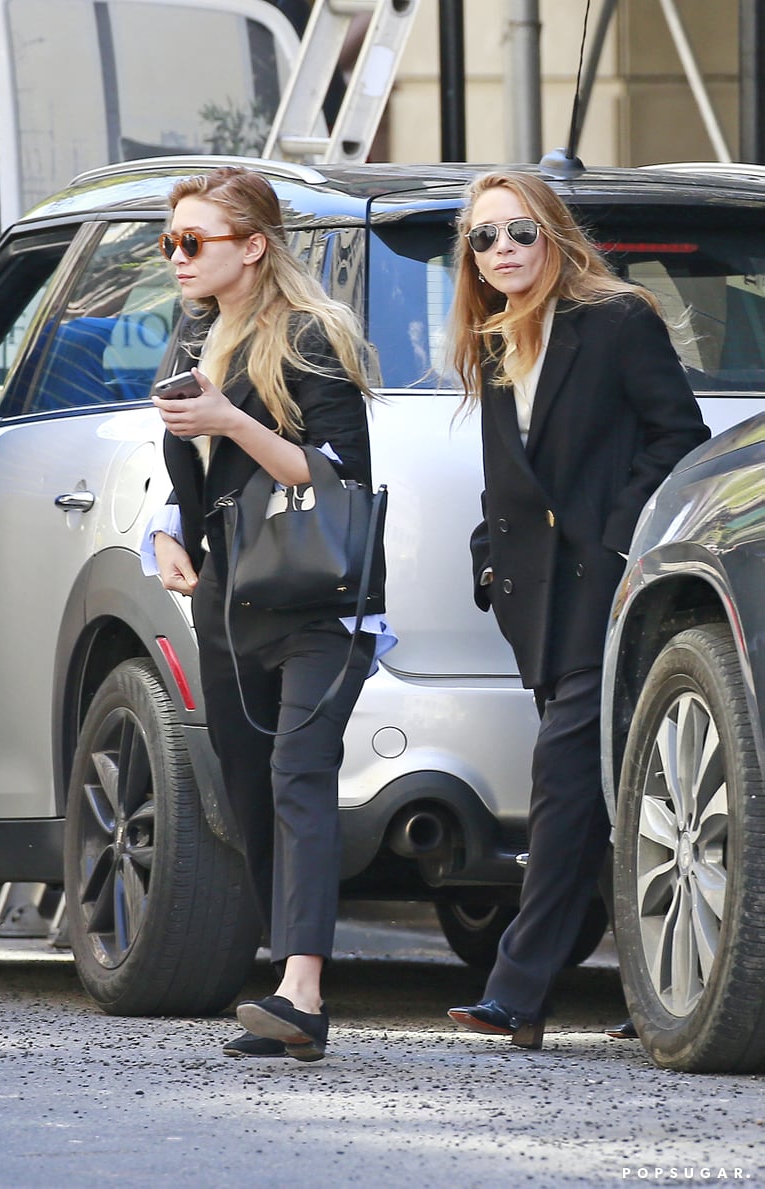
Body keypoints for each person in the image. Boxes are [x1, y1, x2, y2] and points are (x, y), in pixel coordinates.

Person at [446, 170, 710, 1050]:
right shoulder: (491, 342)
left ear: (553, 234)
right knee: (609, 798)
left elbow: (681, 439)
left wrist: (611, 542)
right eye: (484, 239)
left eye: (519, 232)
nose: (503, 250)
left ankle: (517, 992)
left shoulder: (616, 320)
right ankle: (665, 990)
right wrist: (490, 560)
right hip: (538, 607)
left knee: (564, 785)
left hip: (608, 589)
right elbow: (505, 479)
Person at [142, 165, 394, 1062]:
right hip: (229, 596)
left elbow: (339, 472)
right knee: (249, 785)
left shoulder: (309, 339)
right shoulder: (190, 339)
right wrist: (166, 532)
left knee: (298, 771)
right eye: (171, 241)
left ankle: (302, 991)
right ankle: (291, 974)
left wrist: (230, 420)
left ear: (253, 246)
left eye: (193, 242)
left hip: (322, 596)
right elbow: (189, 477)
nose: (176, 257)